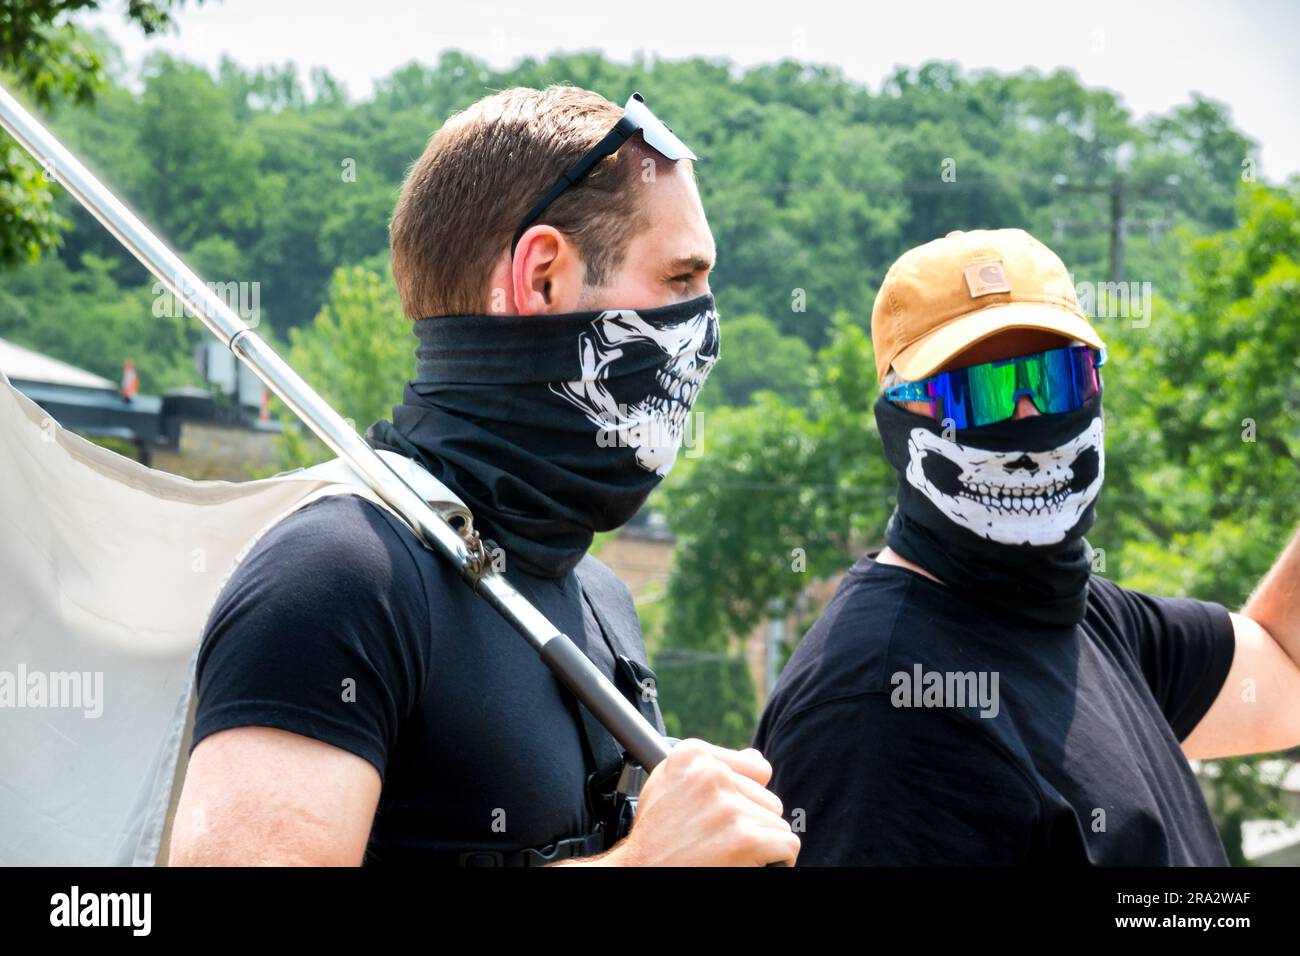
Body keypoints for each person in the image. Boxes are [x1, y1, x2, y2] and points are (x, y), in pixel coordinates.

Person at [168, 86, 799, 867]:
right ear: (542, 278)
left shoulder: (598, 598)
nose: (706, 329)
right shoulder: (338, 576)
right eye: (679, 280)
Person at [754, 227, 1300, 865]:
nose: (1023, 419)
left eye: (1056, 380)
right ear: (900, 422)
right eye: (979, 395)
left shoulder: (1089, 618)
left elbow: (1286, 671)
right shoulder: (885, 711)